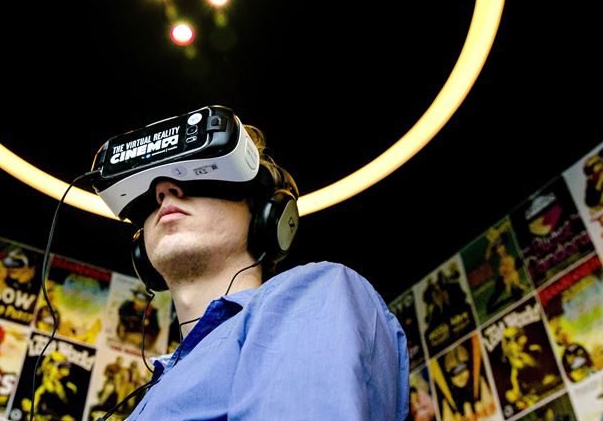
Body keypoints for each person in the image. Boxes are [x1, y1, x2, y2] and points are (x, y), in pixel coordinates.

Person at [89, 107, 409, 420]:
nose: (164, 190)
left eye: (202, 174)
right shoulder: (154, 390)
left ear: (266, 219)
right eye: (149, 194)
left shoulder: (313, 295)